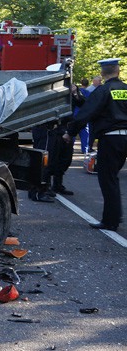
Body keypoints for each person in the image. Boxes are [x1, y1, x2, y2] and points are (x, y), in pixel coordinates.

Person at [64, 58, 127, 231]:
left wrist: (70, 132)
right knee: (113, 176)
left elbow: (86, 113)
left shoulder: (104, 90)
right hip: (124, 138)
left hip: (110, 138)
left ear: (102, 73)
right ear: (118, 71)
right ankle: (115, 214)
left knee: (108, 179)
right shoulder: (125, 89)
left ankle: (110, 221)